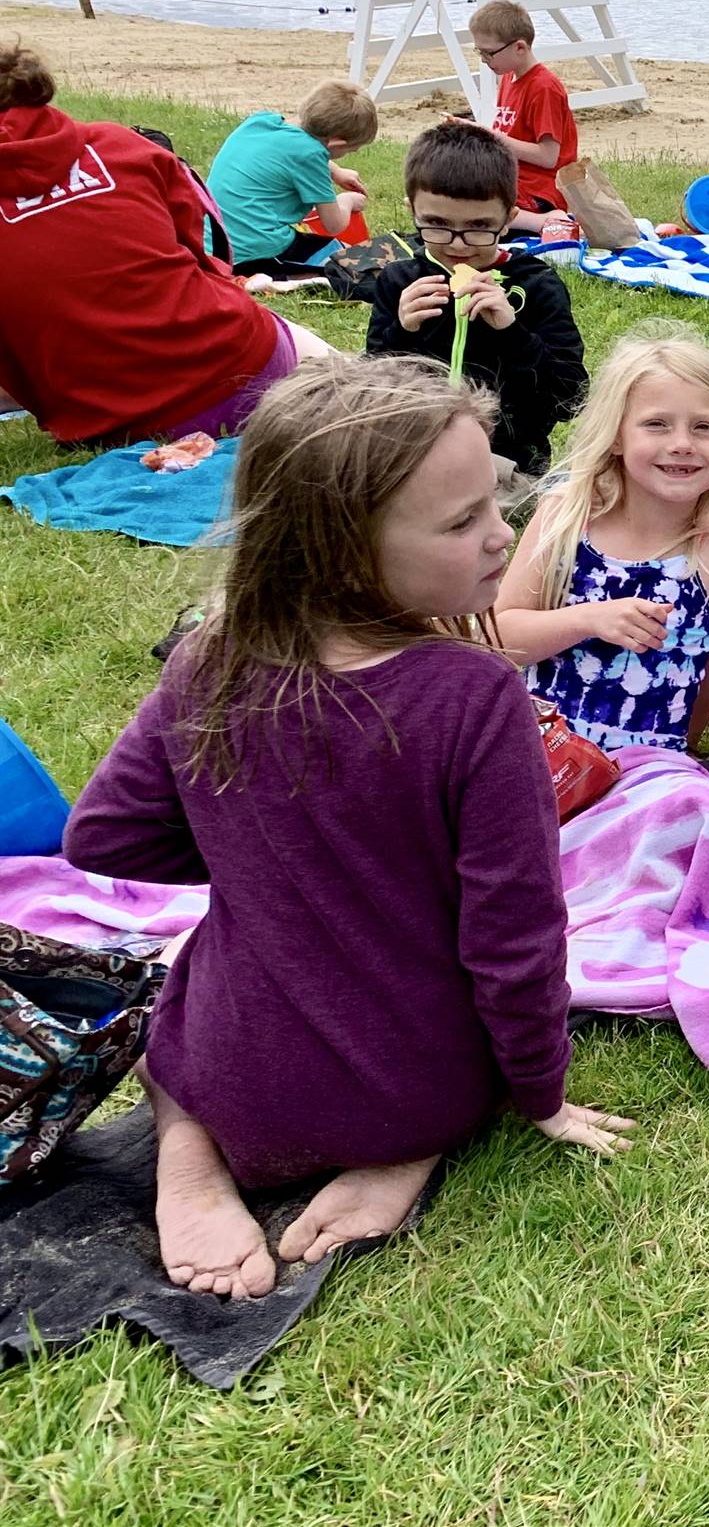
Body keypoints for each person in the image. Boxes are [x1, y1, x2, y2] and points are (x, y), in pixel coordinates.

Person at [62, 358, 633, 1298]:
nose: (503, 537)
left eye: (495, 501)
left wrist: (262, 857)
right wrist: (539, 1094)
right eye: (462, 523)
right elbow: (516, 937)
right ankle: (402, 1154)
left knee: (178, 1021)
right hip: (412, 1088)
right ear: (339, 551)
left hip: (231, 1071)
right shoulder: (476, 695)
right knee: (448, 1064)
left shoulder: (210, 659)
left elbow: (104, 839)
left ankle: (192, 1151)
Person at [0, 39, 332, 444]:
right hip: (239, 359)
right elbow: (200, 247)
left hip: (109, 420)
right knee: (329, 367)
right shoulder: (122, 145)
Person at [494, 328, 709, 756]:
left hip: (653, 765)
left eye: (704, 427)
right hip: (543, 752)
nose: (681, 444)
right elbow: (499, 639)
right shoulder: (568, 515)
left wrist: (683, 750)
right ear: (616, 435)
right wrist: (588, 620)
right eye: (656, 424)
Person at [365, 124, 587, 481]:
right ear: (412, 212)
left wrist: (512, 332)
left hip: (504, 458)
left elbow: (570, 394)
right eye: (436, 224)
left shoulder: (536, 285)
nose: (458, 244)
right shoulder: (399, 281)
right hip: (413, 451)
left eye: (479, 226)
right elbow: (371, 391)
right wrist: (401, 332)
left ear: (508, 221)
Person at [206, 79, 376, 277]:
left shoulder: (261, 122)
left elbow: (288, 151)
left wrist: (336, 171)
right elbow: (334, 224)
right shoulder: (311, 155)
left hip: (211, 244)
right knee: (353, 261)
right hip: (250, 252)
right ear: (337, 142)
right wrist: (346, 200)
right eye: (350, 150)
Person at [455, 0, 577, 230]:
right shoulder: (508, 78)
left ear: (519, 47)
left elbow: (548, 156)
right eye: (479, 52)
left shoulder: (543, 87)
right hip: (512, 176)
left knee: (472, 204)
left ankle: (545, 221)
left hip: (540, 189)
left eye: (489, 53)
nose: (484, 60)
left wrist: (491, 137)